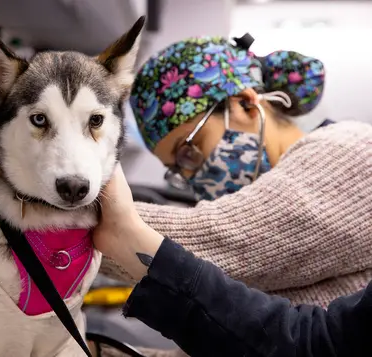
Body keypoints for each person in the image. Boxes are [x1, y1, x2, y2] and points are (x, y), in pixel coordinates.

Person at [97, 35, 372, 355]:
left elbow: (219, 243)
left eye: (188, 152)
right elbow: (246, 335)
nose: (190, 176)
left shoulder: (350, 150)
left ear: (244, 104)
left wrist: (66, 208)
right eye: (177, 168)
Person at [94, 166, 372, 357]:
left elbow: (234, 245)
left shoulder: (354, 151)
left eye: (189, 149)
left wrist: (92, 223)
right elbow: (311, 344)